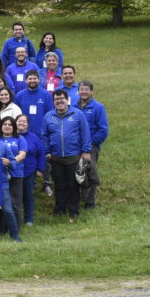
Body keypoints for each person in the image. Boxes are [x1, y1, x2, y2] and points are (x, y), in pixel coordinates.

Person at [41, 89, 92, 221]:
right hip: (56, 157)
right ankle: (59, 210)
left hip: (73, 156)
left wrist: (86, 150)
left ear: (67, 99)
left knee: (73, 185)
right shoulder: (48, 116)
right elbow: (44, 135)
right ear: (54, 102)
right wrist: (47, 152)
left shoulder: (77, 114)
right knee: (59, 185)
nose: (59, 101)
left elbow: (85, 132)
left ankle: (74, 211)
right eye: (56, 99)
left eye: (61, 98)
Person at [75, 81, 108, 209]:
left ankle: (90, 202)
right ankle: (82, 198)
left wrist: (89, 145)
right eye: (81, 89)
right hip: (75, 147)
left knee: (90, 173)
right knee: (79, 173)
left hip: (91, 147)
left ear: (92, 92)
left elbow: (103, 130)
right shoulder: (74, 106)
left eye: (86, 89)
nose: (83, 92)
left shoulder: (98, 107)